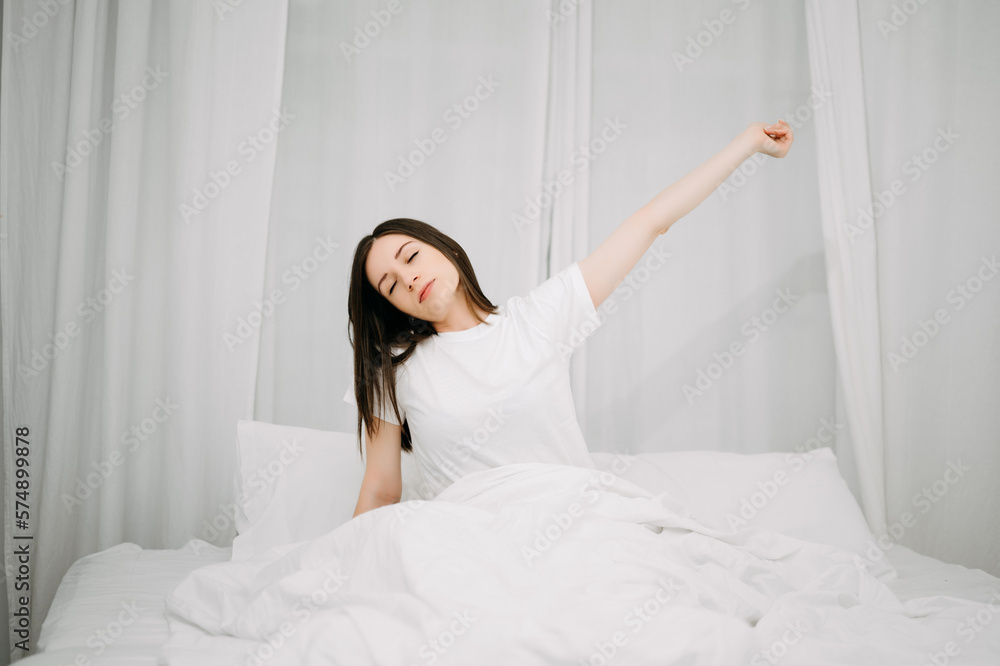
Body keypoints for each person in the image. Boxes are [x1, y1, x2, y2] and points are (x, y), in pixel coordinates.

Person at [345, 119, 794, 517]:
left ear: (444, 249)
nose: (408, 279)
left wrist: (747, 143)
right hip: (468, 545)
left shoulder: (536, 319)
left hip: (573, 526)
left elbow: (650, 221)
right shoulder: (393, 371)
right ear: (394, 307)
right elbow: (382, 492)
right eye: (390, 286)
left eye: (411, 256)